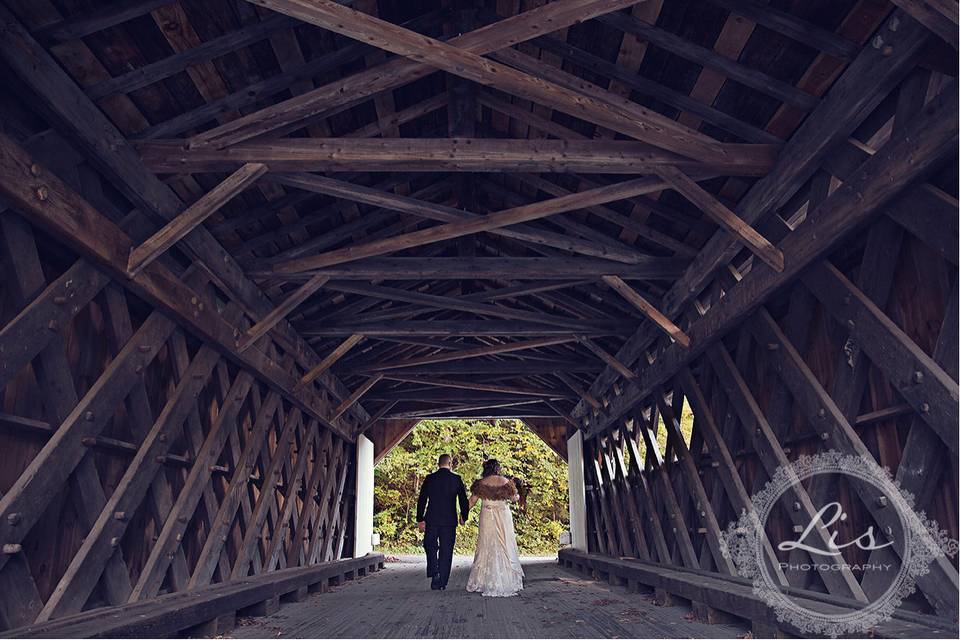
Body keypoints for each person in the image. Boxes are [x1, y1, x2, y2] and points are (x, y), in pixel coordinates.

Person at [465, 458, 524, 597]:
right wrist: (519, 492)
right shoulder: (505, 481)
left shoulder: (481, 483)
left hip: (487, 515)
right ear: (497, 468)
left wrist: (462, 515)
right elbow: (514, 498)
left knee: (486, 544)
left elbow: (471, 501)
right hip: (503, 516)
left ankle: (482, 581)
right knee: (505, 544)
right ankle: (507, 579)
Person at [416, 453, 469, 591]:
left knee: (430, 546)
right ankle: (442, 581)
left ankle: (434, 571)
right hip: (449, 521)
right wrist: (464, 516)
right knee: (447, 550)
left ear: (438, 464)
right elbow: (463, 499)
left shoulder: (430, 479)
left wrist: (420, 519)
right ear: (450, 464)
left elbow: (422, 499)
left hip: (432, 519)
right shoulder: (456, 479)